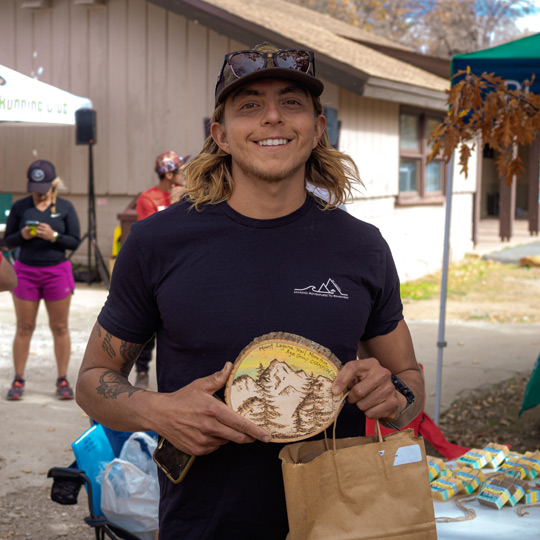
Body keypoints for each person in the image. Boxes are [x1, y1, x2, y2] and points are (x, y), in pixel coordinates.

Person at [76, 43, 425, 539]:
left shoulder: (361, 247)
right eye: (249, 105)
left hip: (340, 521)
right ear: (219, 134)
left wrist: (394, 397)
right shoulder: (157, 243)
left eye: (291, 102)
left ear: (318, 127)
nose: (272, 118)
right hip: (203, 524)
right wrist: (157, 410)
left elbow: (410, 383)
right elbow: (93, 381)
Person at [4, 160, 81, 401]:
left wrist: (54, 235)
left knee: (60, 327)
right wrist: (22, 235)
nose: (39, 192)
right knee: (24, 327)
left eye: (44, 186)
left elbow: (74, 241)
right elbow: (6, 242)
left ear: (53, 183)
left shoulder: (66, 207)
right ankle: (18, 379)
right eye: (35, 186)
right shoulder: (20, 207)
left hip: (56, 271)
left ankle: (62, 379)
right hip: (25, 271)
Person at [133, 151, 190, 389]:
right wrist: (174, 207)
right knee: (147, 330)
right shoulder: (148, 199)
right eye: (180, 171)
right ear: (168, 174)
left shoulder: (190, 195)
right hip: (157, 272)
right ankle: (142, 372)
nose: (185, 175)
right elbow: (150, 235)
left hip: (183, 270)